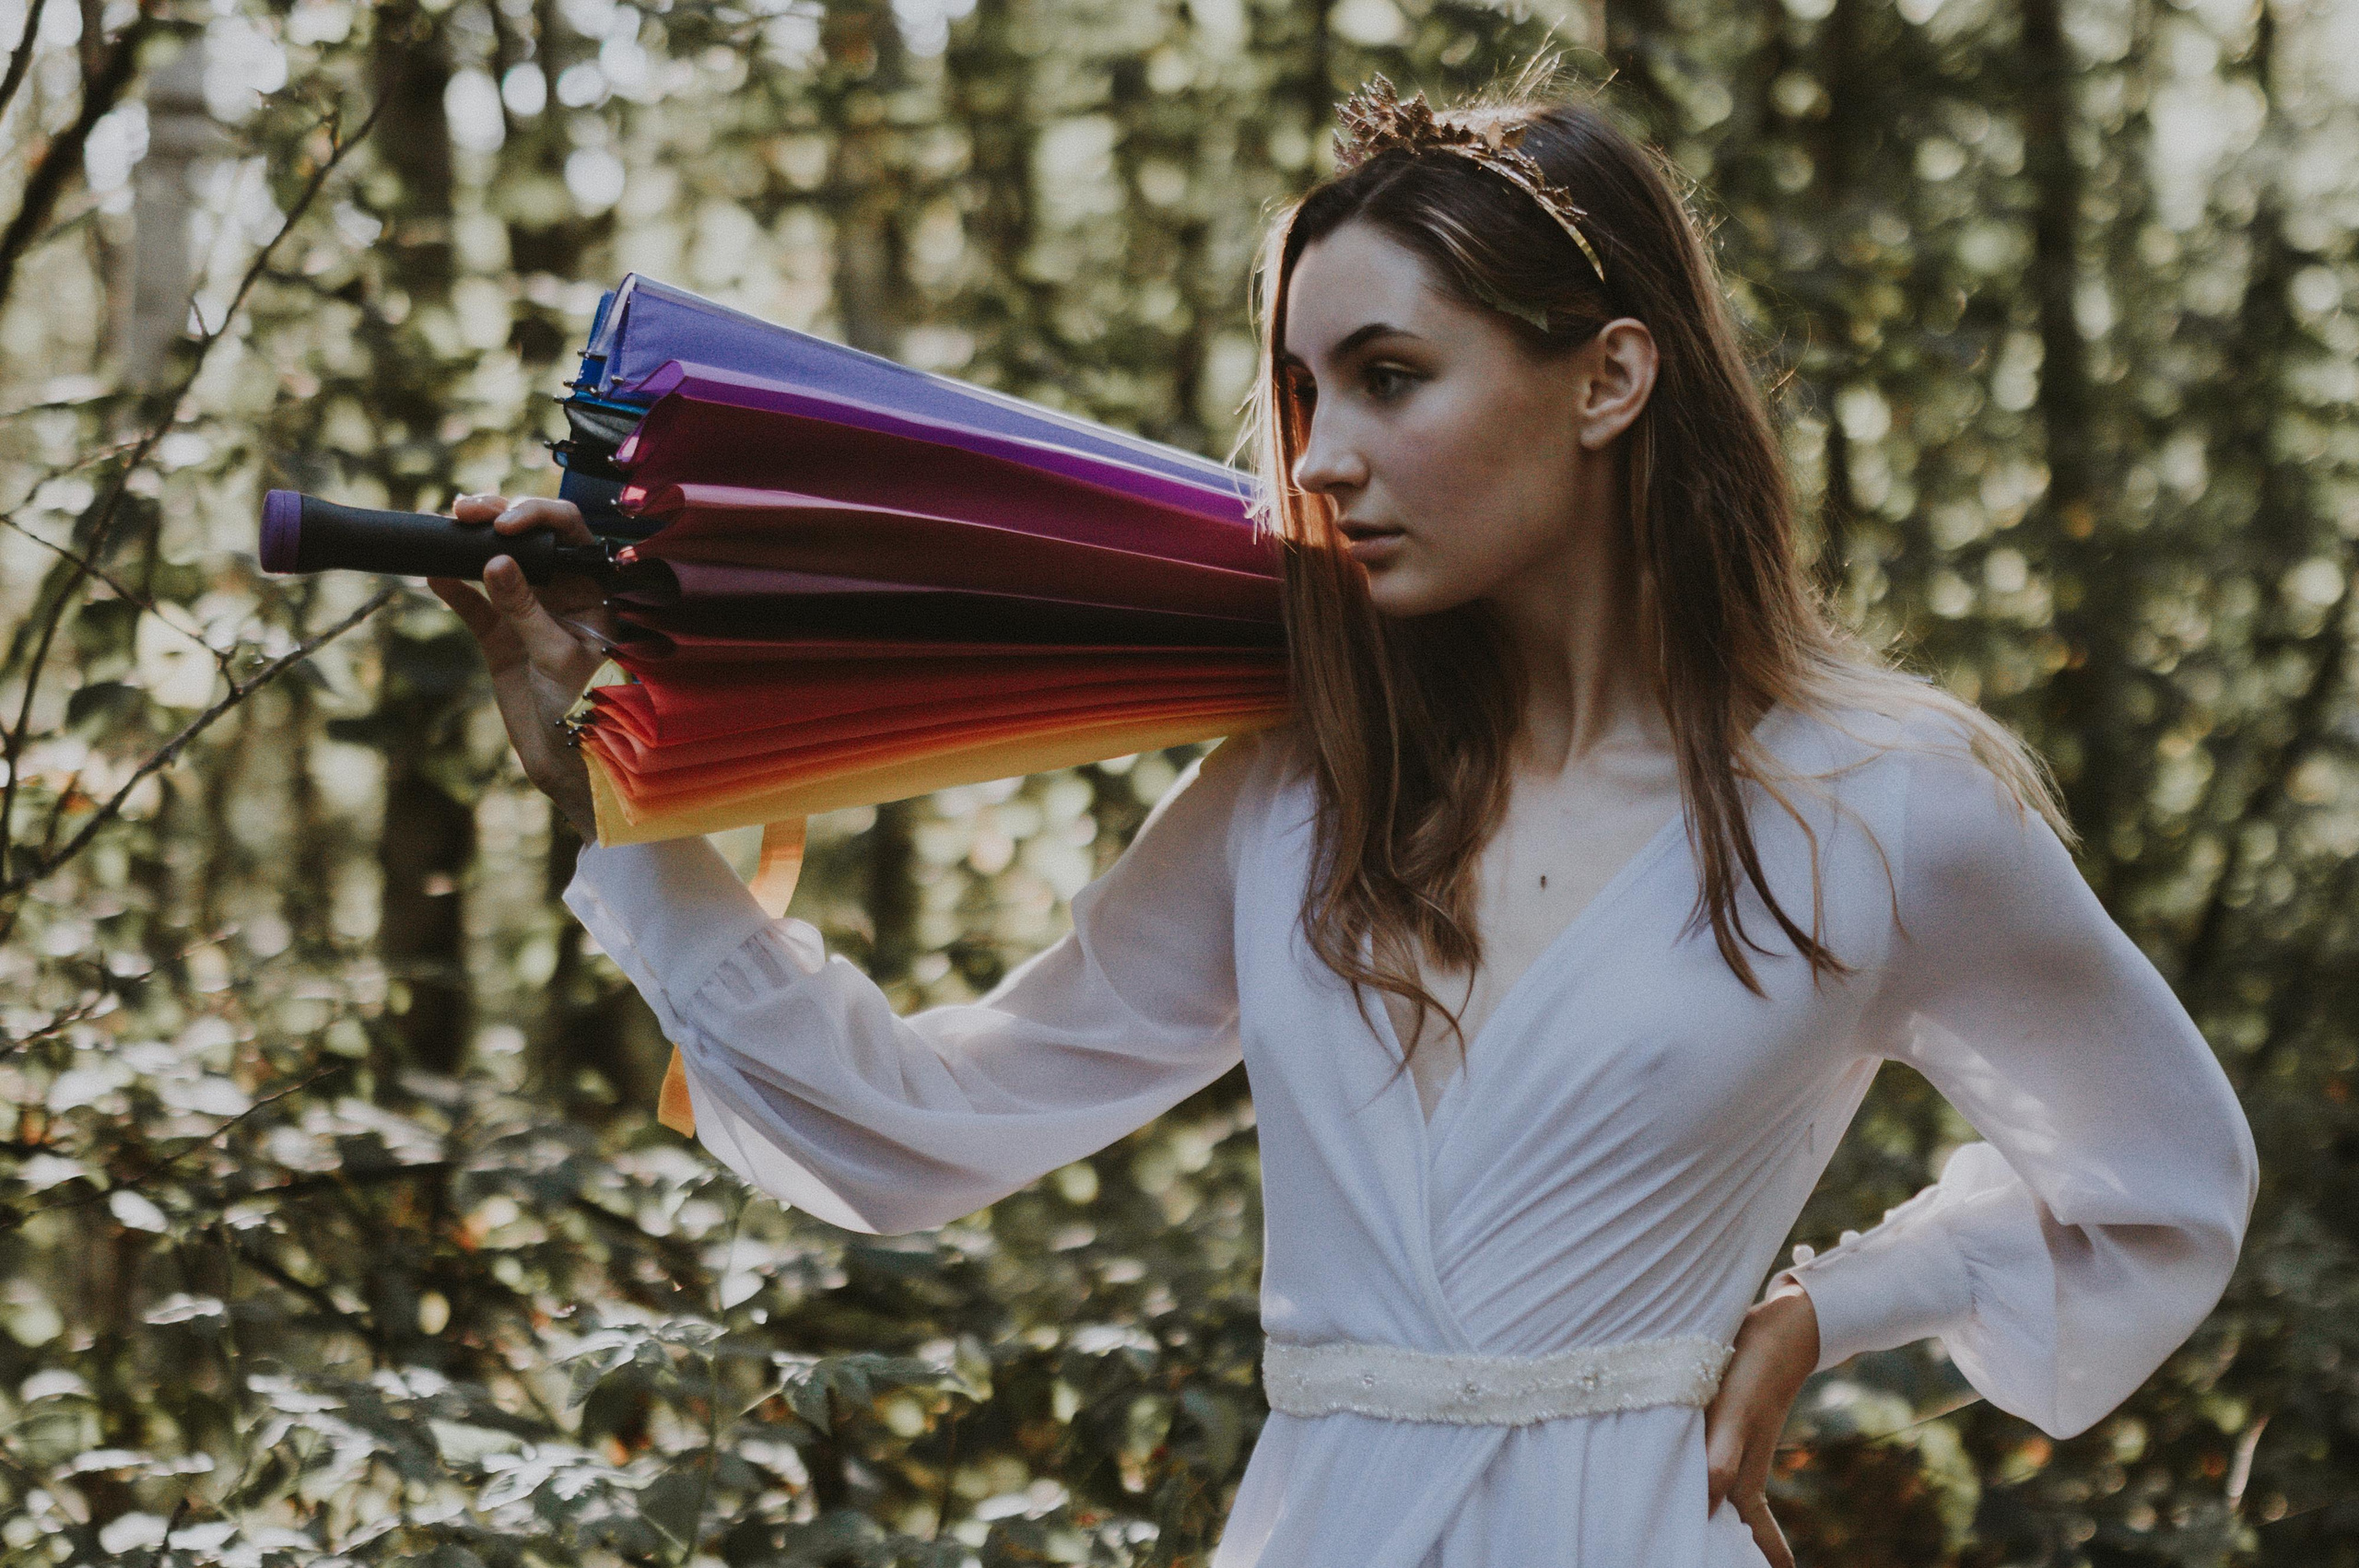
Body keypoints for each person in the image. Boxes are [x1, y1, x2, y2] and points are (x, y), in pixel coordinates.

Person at [430, 63, 2258, 1568]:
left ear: (1608, 377)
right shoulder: (1297, 785)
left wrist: (1826, 1307)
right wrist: (626, 812)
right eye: (1301, 391)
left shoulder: (1884, 806)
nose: (1311, 454)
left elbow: (2159, 1180)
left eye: (1387, 376)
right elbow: (923, 1126)